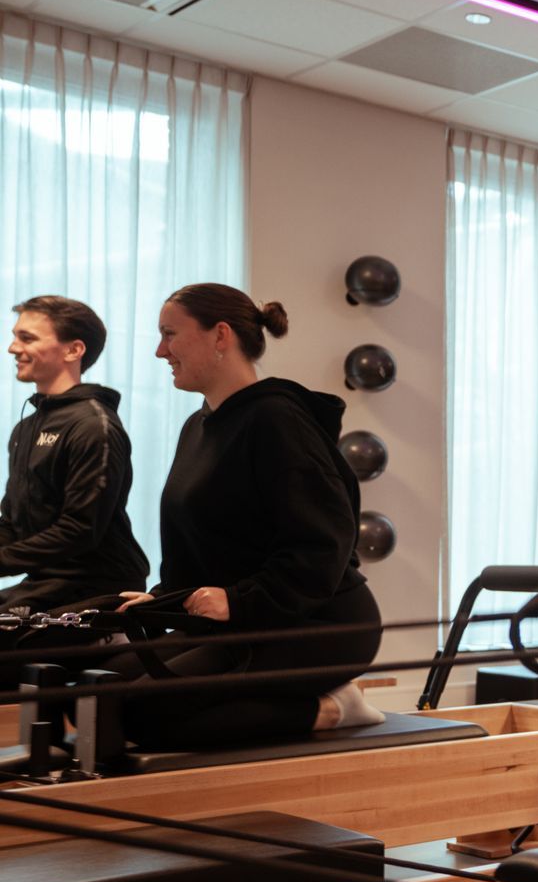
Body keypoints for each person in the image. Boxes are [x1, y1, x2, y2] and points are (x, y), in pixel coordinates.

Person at [106, 284, 384, 750]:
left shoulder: (277, 420)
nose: (160, 350)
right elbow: (210, 540)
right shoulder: (199, 426)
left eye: (170, 334)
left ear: (220, 336)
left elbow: (323, 544)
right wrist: (162, 601)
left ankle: (333, 708)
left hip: (316, 623)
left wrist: (242, 599)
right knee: (98, 689)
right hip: (243, 619)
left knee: (142, 712)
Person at [0, 296, 149, 611]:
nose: (12, 348)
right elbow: (12, 523)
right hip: (44, 584)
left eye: (26, 338)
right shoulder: (25, 429)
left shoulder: (94, 425)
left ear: (73, 350)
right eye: (15, 337)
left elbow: (79, 530)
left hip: (96, 586)